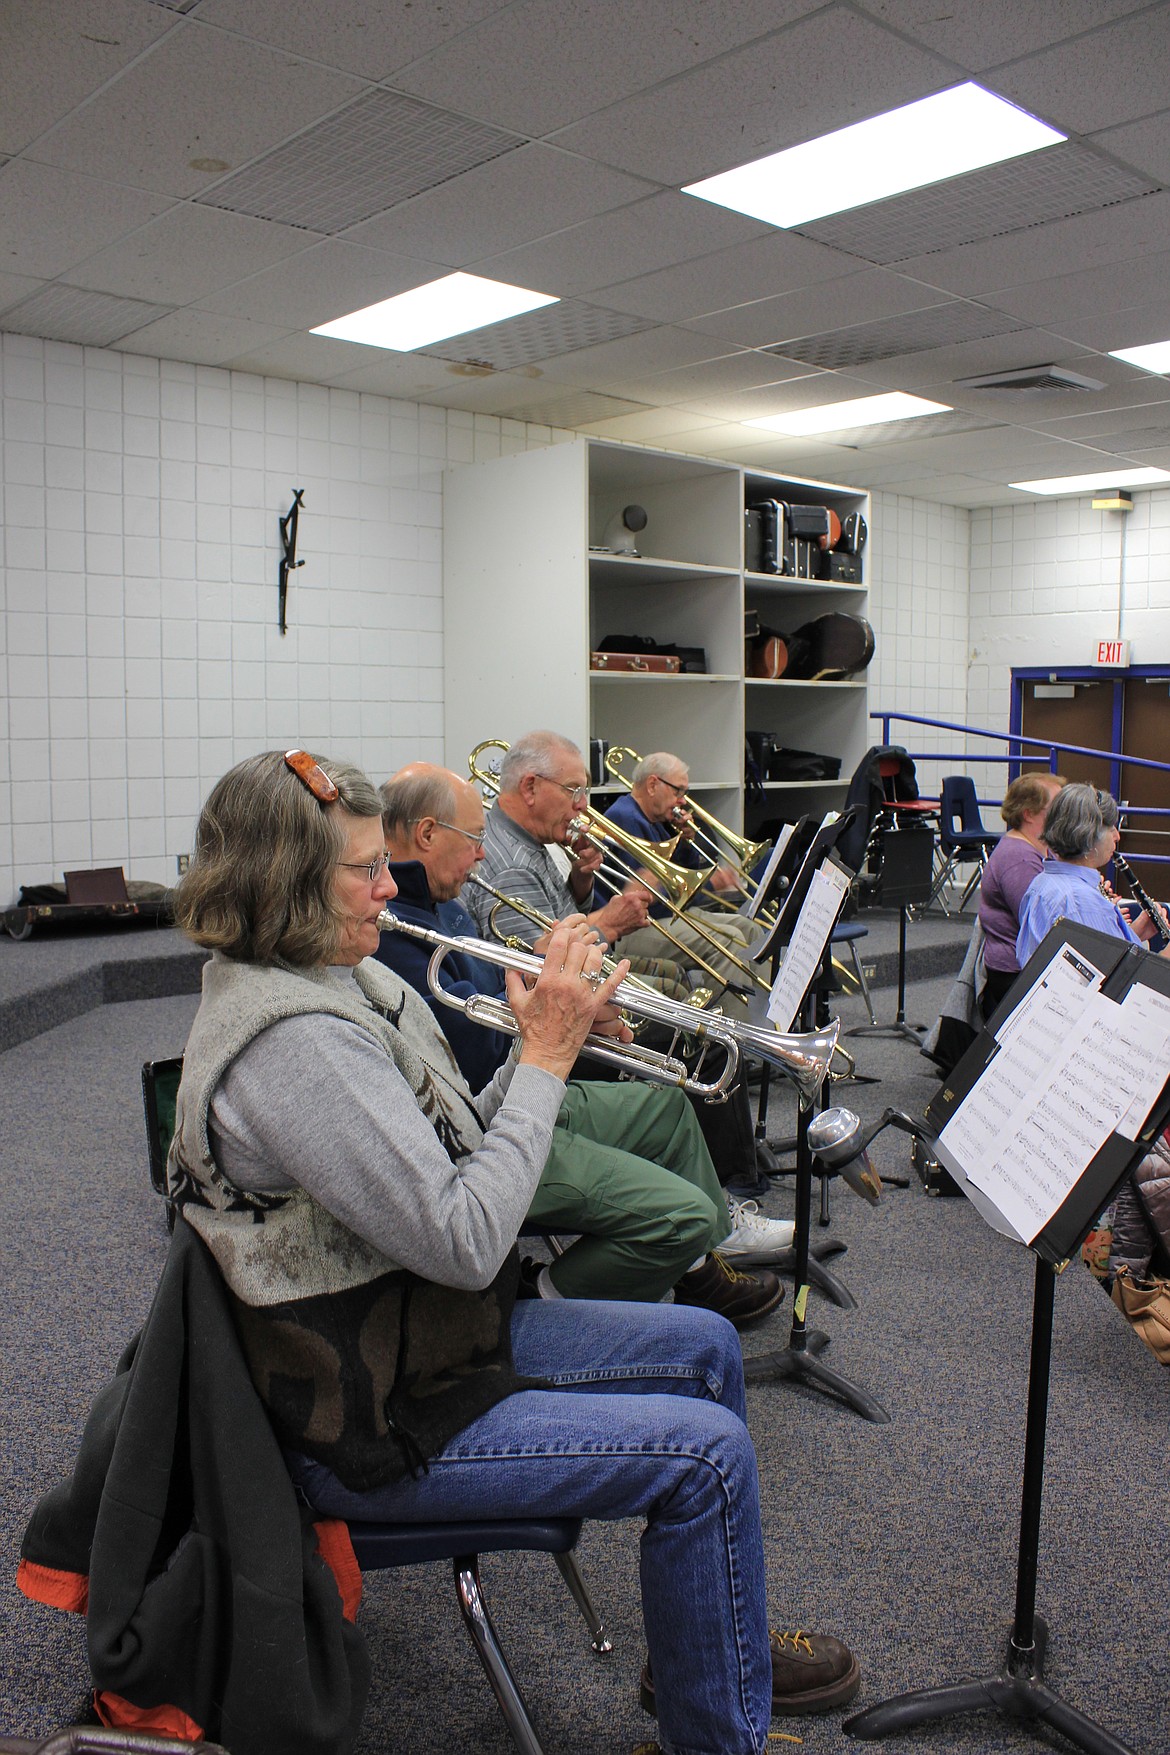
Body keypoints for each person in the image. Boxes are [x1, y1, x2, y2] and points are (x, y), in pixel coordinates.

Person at [167, 747, 860, 1754]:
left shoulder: (338, 976)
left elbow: (449, 1148)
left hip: (422, 1337)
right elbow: (462, 1238)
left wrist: (552, 1040)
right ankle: (717, 1735)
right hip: (362, 1414)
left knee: (707, 1349)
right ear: (285, 885)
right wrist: (542, 1060)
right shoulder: (291, 1043)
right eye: (360, 868)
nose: (384, 882)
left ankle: (709, 1655)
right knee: (705, 1459)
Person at [374, 761, 790, 1308]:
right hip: (483, 1122)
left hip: (512, 1083)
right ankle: (541, 1303)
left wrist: (553, 973)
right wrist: (560, 1000)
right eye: (473, 839)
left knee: (665, 1108)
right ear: (428, 834)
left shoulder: (444, 905)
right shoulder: (391, 927)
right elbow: (465, 1051)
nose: (481, 852)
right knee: (678, 1175)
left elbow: (492, 992)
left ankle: (699, 1262)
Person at [464, 730, 758, 1005]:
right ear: (530, 788)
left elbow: (559, 919)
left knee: (681, 982)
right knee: (680, 999)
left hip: (585, 961)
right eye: (573, 791)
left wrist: (581, 878)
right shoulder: (513, 868)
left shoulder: (530, 839)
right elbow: (540, 978)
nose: (582, 805)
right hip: (566, 994)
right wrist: (609, 923)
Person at [1016, 783, 1169, 967]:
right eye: (1111, 828)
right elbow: (1115, 979)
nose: (1117, 836)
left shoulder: (1042, 882)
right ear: (1089, 835)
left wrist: (1134, 934)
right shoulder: (1081, 901)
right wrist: (1164, 958)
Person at [976, 771, 1065, 1018]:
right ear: (1029, 813)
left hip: (1029, 963)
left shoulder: (1042, 848)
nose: (1062, 816)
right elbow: (1041, 922)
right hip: (1016, 971)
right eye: (1056, 809)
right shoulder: (1019, 859)